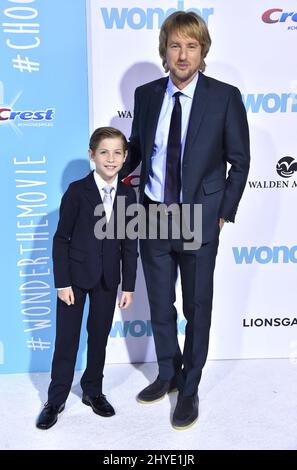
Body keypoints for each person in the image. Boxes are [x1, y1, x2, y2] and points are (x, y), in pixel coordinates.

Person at [121, 11, 250, 430]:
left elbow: (240, 162)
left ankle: (189, 388)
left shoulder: (224, 97)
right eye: (175, 45)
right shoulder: (145, 95)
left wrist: (222, 214)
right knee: (159, 305)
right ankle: (168, 373)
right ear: (164, 50)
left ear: (202, 51)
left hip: (199, 217)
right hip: (154, 212)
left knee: (197, 308)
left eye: (191, 46)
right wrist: (116, 171)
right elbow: (140, 148)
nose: (182, 54)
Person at [36, 127, 138, 429]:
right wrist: (62, 282)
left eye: (117, 152)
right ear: (91, 154)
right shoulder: (77, 191)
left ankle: (92, 390)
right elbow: (61, 239)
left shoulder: (128, 194)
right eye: (104, 152)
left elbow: (130, 244)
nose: (111, 158)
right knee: (67, 341)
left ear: (125, 157)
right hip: (75, 280)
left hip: (108, 279)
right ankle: (55, 398)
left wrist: (128, 285)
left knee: (98, 338)